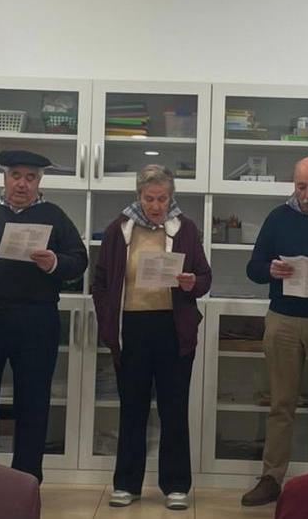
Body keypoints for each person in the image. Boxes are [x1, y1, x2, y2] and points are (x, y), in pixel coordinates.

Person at [0, 150, 88, 482]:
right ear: (4, 177)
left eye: (30, 177)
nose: (22, 184)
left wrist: (54, 262)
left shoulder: (54, 216)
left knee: (34, 402)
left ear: (39, 181)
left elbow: (79, 261)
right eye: (16, 175)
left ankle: (26, 481)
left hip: (36, 320)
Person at [90, 165, 212, 510]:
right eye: (149, 198)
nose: (156, 205)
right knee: (133, 408)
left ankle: (175, 485)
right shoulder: (119, 230)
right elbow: (100, 281)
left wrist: (192, 283)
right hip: (132, 327)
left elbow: (204, 277)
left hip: (173, 328)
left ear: (171, 197)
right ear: (138, 196)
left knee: (174, 408)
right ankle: (127, 484)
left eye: (162, 198)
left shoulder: (185, 228)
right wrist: (106, 318)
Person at [240, 157, 308, 507]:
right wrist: (270, 269)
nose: (307, 194)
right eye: (301, 186)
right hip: (283, 318)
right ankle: (271, 478)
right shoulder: (277, 217)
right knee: (280, 403)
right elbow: (253, 268)